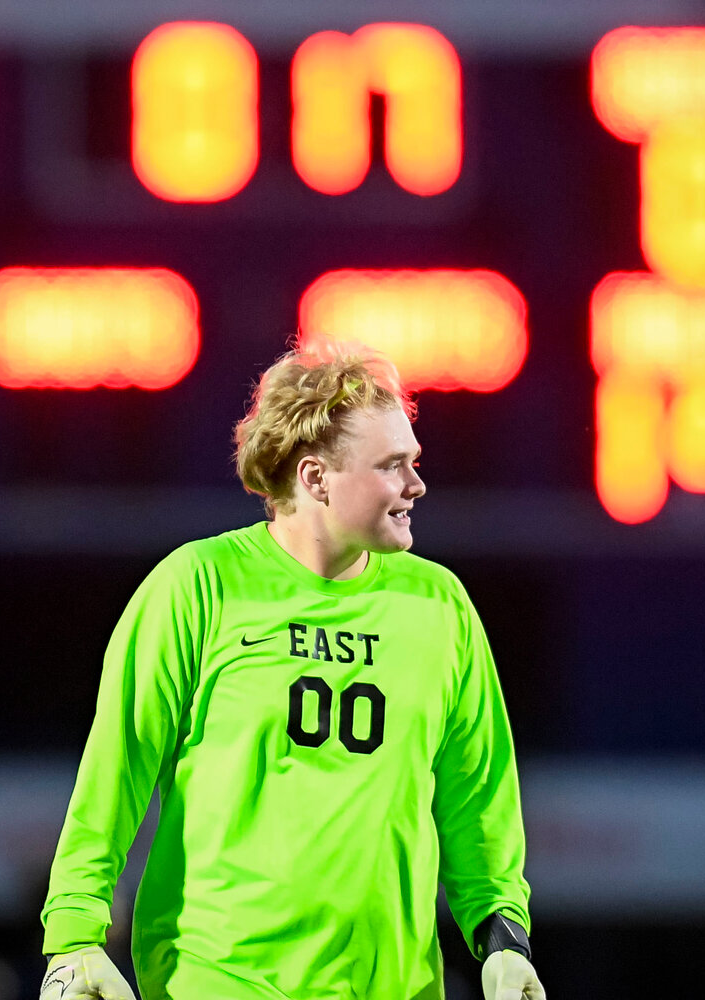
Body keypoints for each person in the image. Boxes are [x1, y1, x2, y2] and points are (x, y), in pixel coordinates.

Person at [38, 344, 544, 1000]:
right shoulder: (197, 587)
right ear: (315, 478)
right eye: (393, 467)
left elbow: (477, 796)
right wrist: (75, 936)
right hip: (219, 983)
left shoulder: (438, 605)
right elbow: (116, 772)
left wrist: (502, 937)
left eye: (414, 464)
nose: (416, 486)